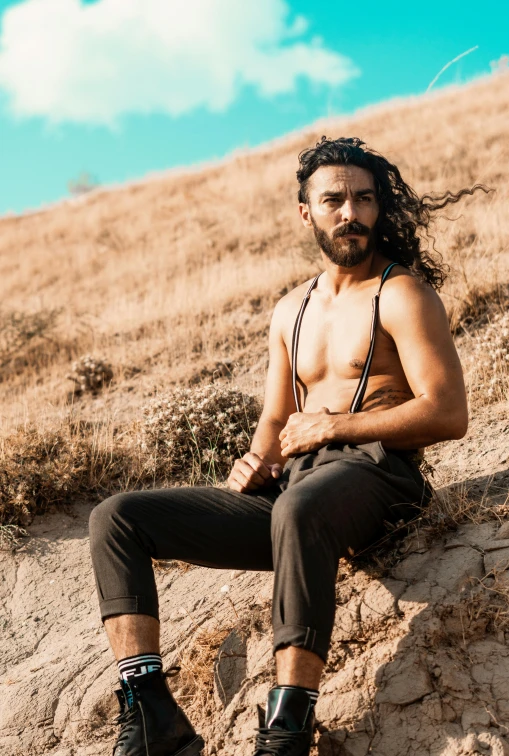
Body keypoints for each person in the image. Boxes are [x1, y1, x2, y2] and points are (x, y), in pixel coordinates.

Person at [89, 136, 484, 756]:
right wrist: (257, 460)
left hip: (378, 479)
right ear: (307, 212)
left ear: (379, 209)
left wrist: (335, 427)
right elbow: (276, 420)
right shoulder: (289, 311)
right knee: (116, 518)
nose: (349, 212)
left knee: (299, 512)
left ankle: (286, 732)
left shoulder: (401, 293)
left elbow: (448, 412)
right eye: (334, 200)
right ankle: (151, 716)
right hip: (294, 492)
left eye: (363, 199)